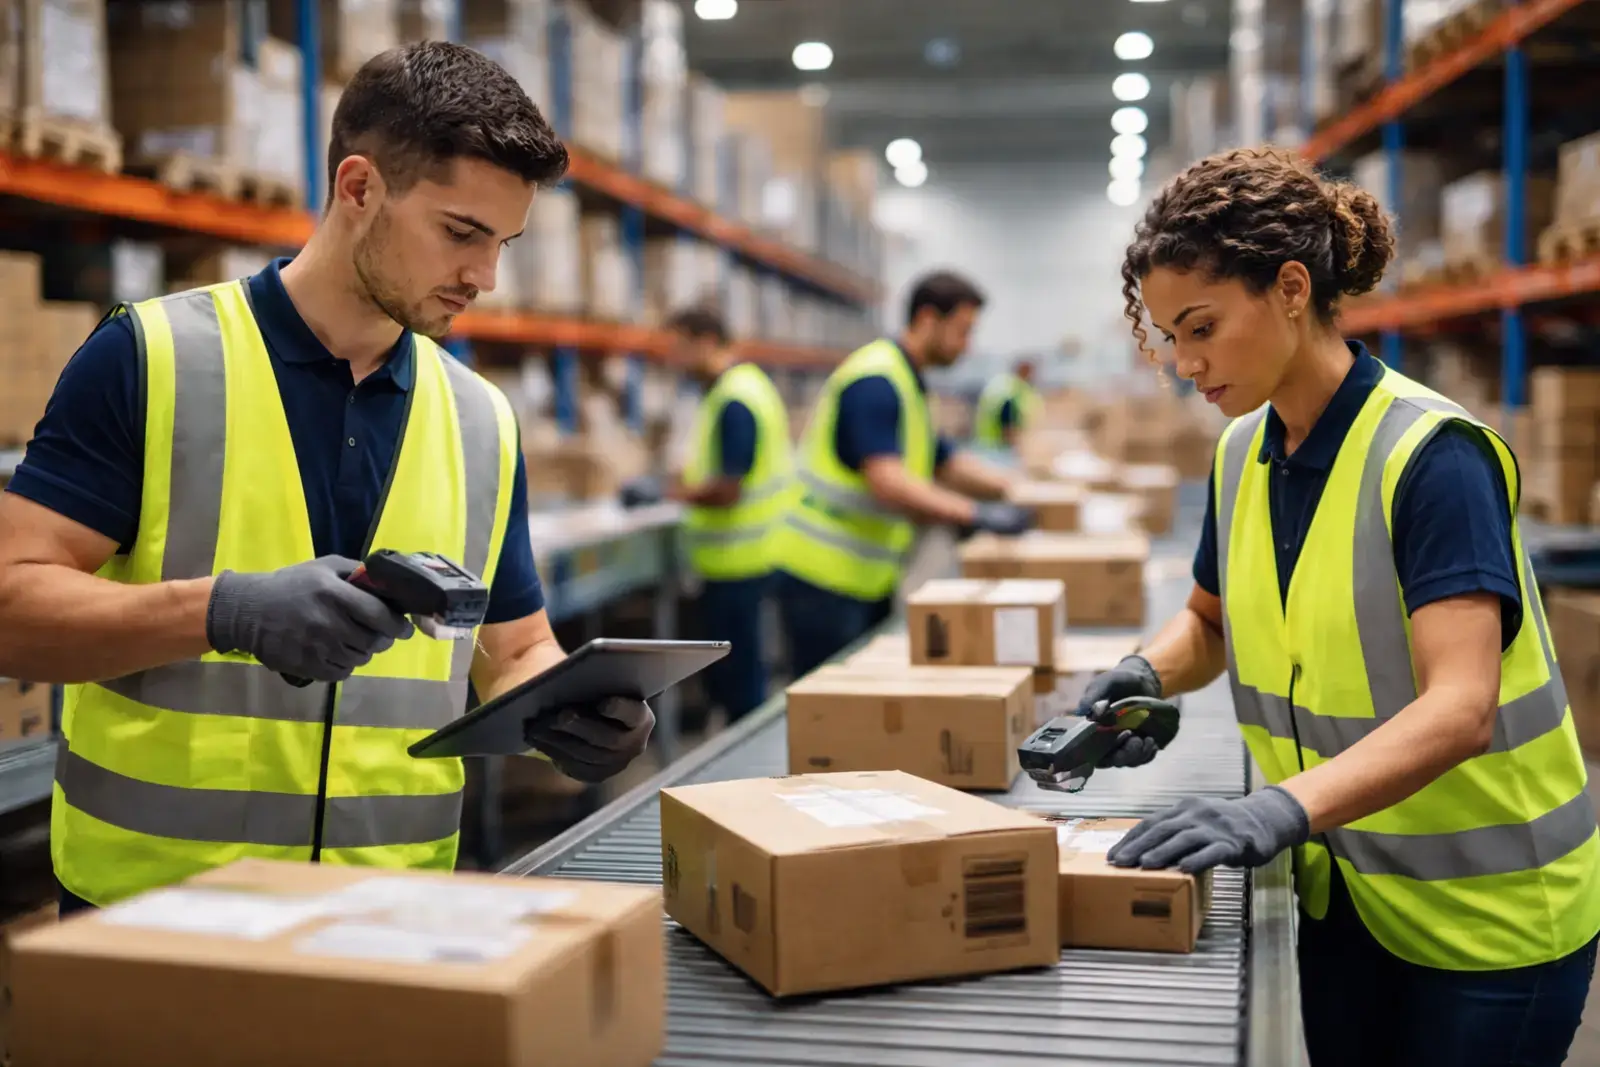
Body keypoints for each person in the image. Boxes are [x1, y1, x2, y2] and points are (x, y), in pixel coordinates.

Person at [0, 42, 656, 915]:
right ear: (358, 188)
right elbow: (12, 608)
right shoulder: (152, 360)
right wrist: (222, 611)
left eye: (503, 243)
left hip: (390, 924)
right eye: (461, 233)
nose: (484, 278)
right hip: (157, 921)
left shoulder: (480, 420)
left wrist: (572, 711)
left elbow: (515, 648)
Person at [1078, 147, 1600, 1066]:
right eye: (1170, 340)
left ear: (1289, 287)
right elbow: (1210, 621)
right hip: (1348, 888)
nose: (1187, 364)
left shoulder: (1433, 456)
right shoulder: (1244, 453)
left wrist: (1273, 808)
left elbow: (1462, 704)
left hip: (1492, 917)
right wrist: (1142, 672)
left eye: (1201, 327)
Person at [773, 270, 1034, 677]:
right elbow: (886, 479)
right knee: (831, 712)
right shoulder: (876, 379)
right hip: (824, 576)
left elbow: (943, 460)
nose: (968, 345)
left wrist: (1018, 491)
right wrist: (972, 514)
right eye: (963, 331)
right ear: (928, 319)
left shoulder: (907, 380)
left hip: (863, 575)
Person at [618, 306, 793, 723]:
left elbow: (728, 489)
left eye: (679, 348)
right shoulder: (736, 389)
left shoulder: (735, 399)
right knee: (738, 676)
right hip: (743, 558)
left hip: (739, 562)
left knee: (740, 685)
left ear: (706, 342)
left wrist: (667, 493)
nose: (673, 359)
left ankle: (748, 778)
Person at [972, 357, 1039, 451]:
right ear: (1025, 371)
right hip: (1000, 449)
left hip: (986, 446)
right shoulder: (1012, 392)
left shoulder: (1001, 384)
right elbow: (1008, 427)